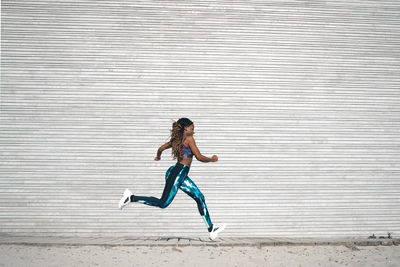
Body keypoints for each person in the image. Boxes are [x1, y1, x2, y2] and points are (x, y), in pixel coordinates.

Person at [118, 117, 226, 240]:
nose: (194, 130)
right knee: (163, 203)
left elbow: (161, 148)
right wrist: (212, 159)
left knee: (199, 197)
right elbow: (199, 157)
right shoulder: (189, 139)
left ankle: (211, 229)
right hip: (177, 173)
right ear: (186, 128)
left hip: (180, 173)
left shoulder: (177, 140)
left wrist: (158, 156)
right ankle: (130, 198)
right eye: (192, 128)